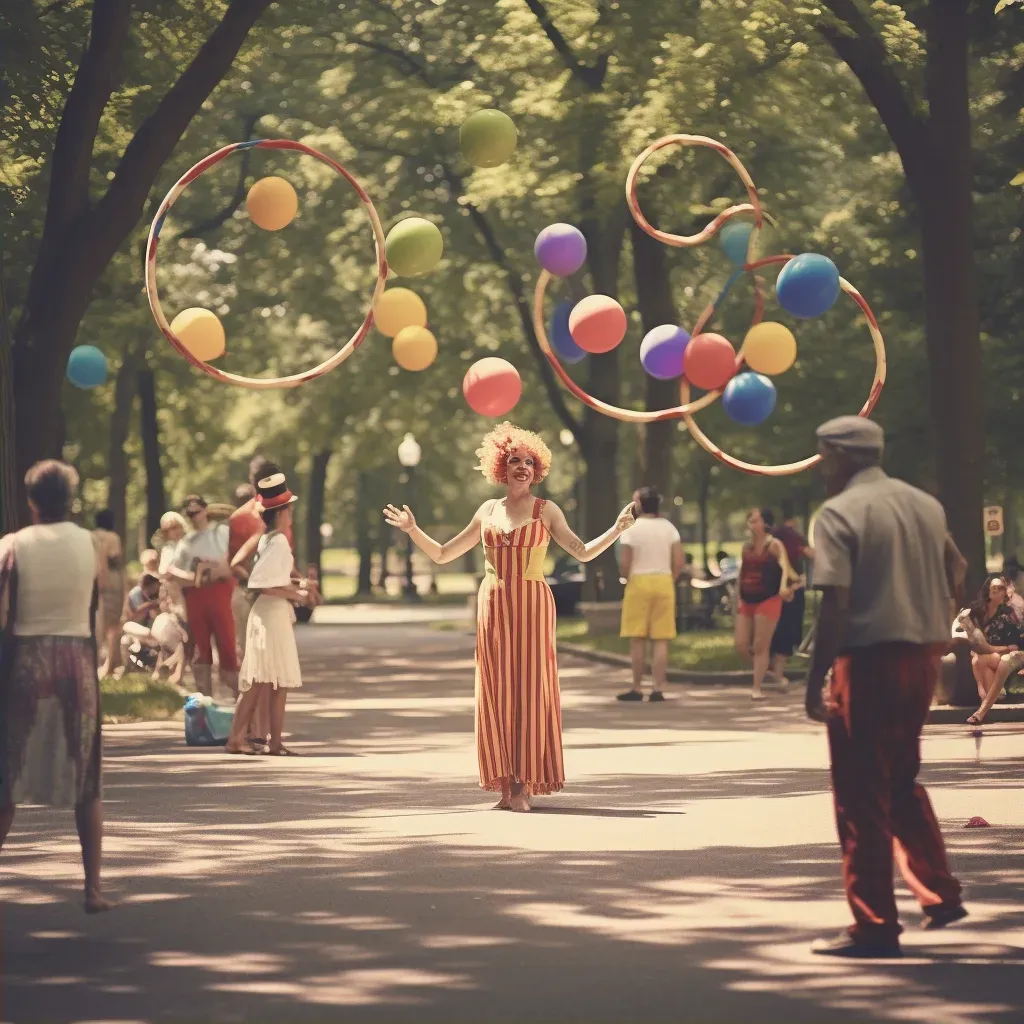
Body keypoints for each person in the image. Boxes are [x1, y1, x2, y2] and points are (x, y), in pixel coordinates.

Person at [383, 422, 636, 812]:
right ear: (501, 467)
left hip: (532, 604)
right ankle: (505, 782)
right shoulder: (487, 510)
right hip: (494, 604)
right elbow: (442, 554)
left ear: (538, 470)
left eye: (529, 462)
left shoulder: (545, 510)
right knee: (496, 691)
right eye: (514, 460)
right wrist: (413, 529)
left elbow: (582, 552)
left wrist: (617, 530)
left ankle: (523, 784)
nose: (522, 467)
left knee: (529, 690)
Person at [805, 415, 967, 959]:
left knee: (859, 793)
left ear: (839, 456)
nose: (820, 467)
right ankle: (939, 893)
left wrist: (814, 678)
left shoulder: (838, 512)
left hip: (868, 658)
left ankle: (874, 923)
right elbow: (957, 566)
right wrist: (936, 612)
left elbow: (836, 604)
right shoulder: (924, 505)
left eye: (823, 457)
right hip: (922, 656)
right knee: (899, 779)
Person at [0, 460, 113, 913]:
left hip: (27, 658)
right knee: (88, 778)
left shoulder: (12, 545)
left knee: (5, 776)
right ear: (71, 500)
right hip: (76, 659)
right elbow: (96, 600)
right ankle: (93, 890)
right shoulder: (92, 544)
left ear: (31, 503)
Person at [226, 473, 311, 756]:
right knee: (261, 679)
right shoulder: (278, 542)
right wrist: (295, 594)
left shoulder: (270, 539)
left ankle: (274, 741)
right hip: (270, 615)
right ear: (282, 512)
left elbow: (271, 577)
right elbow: (261, 583)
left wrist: (296, 586)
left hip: (271, 614)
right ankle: (237, 738)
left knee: (275, 680)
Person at [616, 486, 684, 702]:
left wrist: (626, 577)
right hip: (663, 581)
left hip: (638, 581)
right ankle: (657, 687)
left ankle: (637, 687)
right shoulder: (669, 528)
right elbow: (679, 561)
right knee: (661, 639)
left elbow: (625, 562)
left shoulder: (632, 529)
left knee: (638, 638)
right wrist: (670, 578)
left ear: (640, 504)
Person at [168, 494, 238, 697]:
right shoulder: (186, 542)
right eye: (190, 514)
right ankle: (205, 701)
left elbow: (230, 563)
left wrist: (206, 573)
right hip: (196, 598)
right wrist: (197, 577)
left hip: (221, 593)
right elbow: (175, 572)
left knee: (227, 643)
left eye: (197, 512)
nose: (194, 517)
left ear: (205, 510)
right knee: (200, 646)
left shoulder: (221, 532)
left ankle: (240, 698)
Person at [735, 508, 793, 700]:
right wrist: (737, 597)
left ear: (765, 524)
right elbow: (741, 574)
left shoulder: (774, 544)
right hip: (747, 599)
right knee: (741, 645)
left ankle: (756, 688)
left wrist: (784, 587)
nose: (751, 522)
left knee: (761, 645)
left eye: (755, 519)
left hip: (768, 599)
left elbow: (785, 566)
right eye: (749, 519)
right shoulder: (746, 547)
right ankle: (768, 673)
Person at [957, 575, 1024, 725]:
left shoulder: (1008, 613)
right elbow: (960, 619)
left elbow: (1014, 645)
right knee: (978, 660)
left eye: (1003, 589)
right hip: (989, 655)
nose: (1001, 592)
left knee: (978, 659)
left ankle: (983, 707)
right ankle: (990, 702)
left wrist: (1001, 648)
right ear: (988, 591)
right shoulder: (977, 609)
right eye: (996, 589)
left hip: (1002, 655)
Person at [769, 509, 813, 685]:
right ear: (793, 520)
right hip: (791, 589)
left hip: (770, 590)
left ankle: (769, 672)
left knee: (773, 630)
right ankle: (778, 674)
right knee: (786, 631)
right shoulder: (793, 536)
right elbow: (811, 554)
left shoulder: (770, 536)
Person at [93, 509, 125, 677]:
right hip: (111, 581)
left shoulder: (90, 537)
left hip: (92, 580)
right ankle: (110, 663)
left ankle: (95, 660)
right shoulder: (113, 537)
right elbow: (114, 558)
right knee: (113, 624)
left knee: (95, 621)